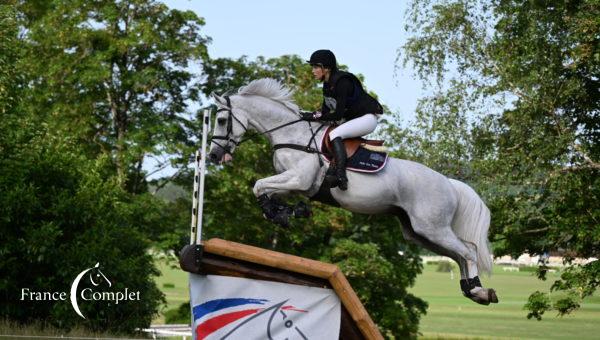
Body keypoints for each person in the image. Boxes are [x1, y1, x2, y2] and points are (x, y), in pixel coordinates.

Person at [303, 49, 383, 190]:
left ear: (326, 68)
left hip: (367, 119)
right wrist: (307, 116)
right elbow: (325, 112)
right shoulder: (327, 85)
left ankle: (340, 175)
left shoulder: (342, 82)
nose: (313, 71)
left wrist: (315, 116)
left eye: (316, 67)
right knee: (326, 130)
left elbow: (338, 115)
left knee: (335, 134)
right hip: (353, 119)